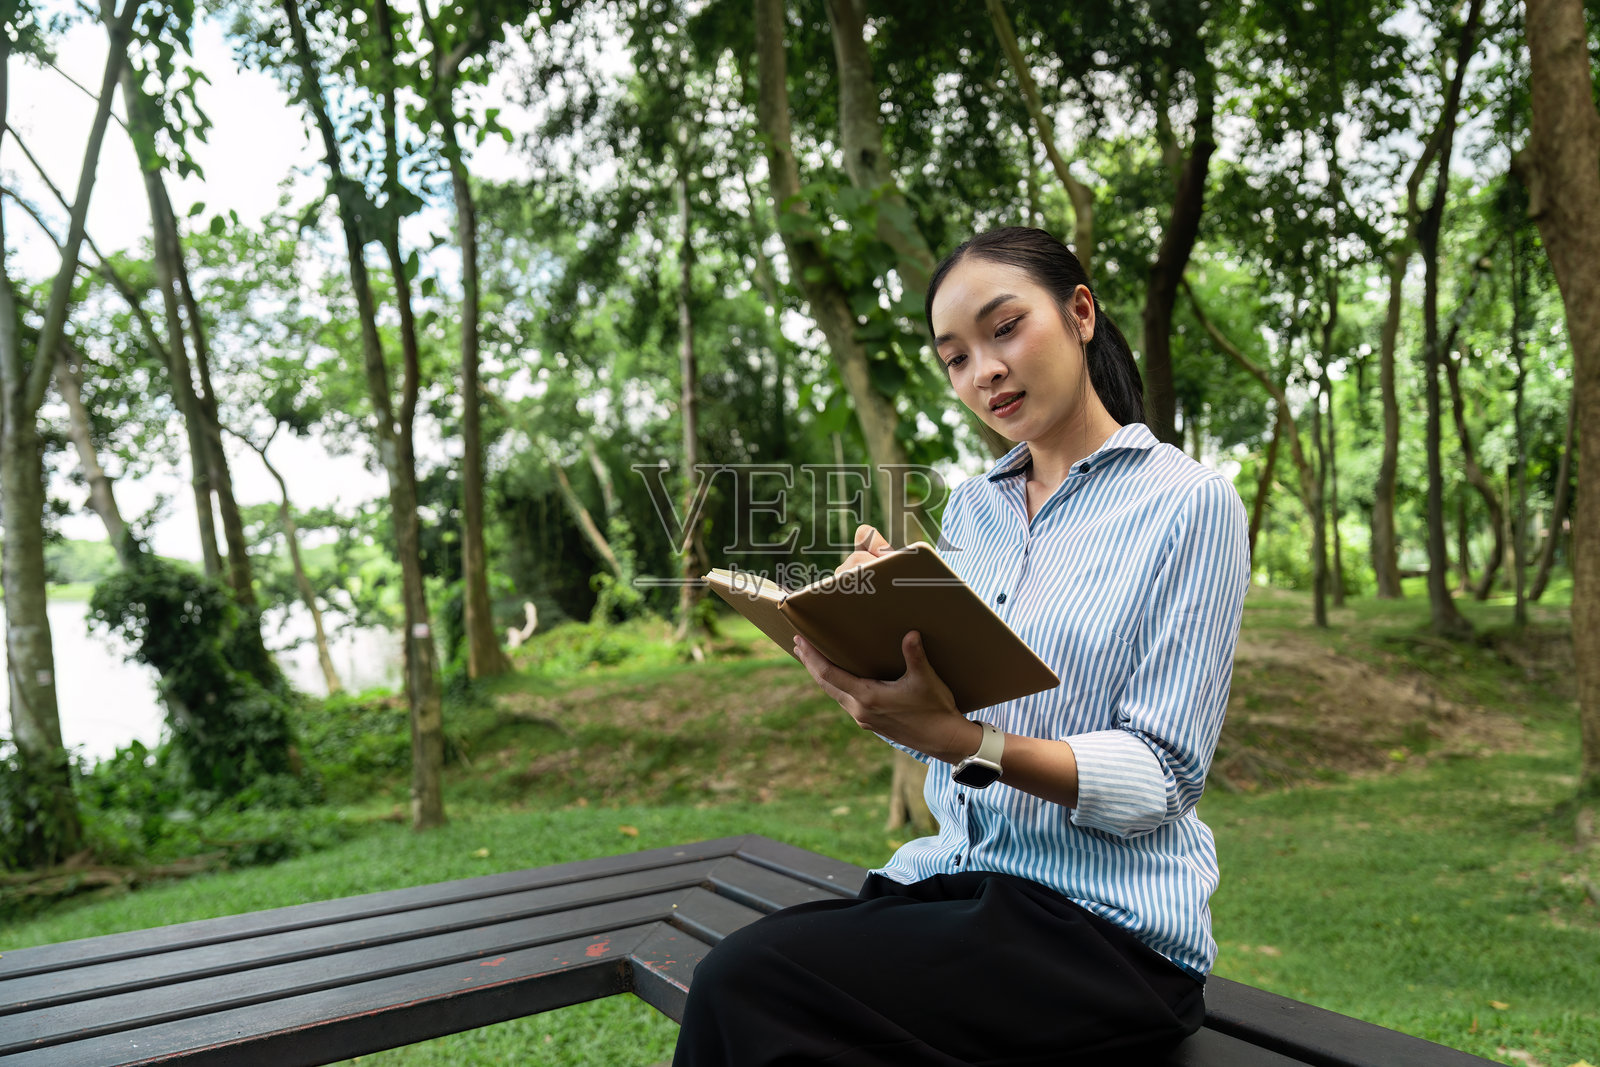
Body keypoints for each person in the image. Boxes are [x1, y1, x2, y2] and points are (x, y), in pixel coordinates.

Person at [671, 227, 1251, 1066]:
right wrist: (875, 630)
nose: (984, 370)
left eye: (1005, 328)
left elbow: (1160, 775)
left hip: (1103, 932)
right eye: (956, 356)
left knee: (746, 983)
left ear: (1080, 313)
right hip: (954, 885)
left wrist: (961, 739)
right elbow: (962, 698)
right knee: (749, 981)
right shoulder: (974, 509)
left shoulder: (1188, 503)